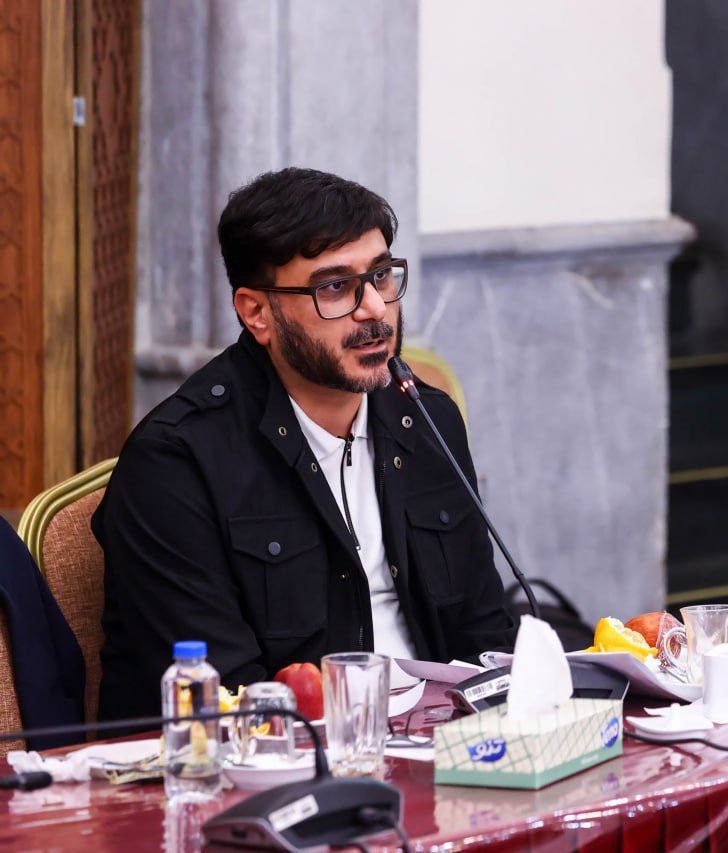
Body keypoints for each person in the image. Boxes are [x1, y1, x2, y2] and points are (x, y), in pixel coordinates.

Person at [94, 168, 515, 721]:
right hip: (291, 754)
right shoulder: (177, 463)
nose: (374, 309)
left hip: (445, 736)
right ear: (257, 313)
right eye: (334, 287)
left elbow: (485, 636)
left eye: (381, 275)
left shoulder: (426, 419)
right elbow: (225, 700)